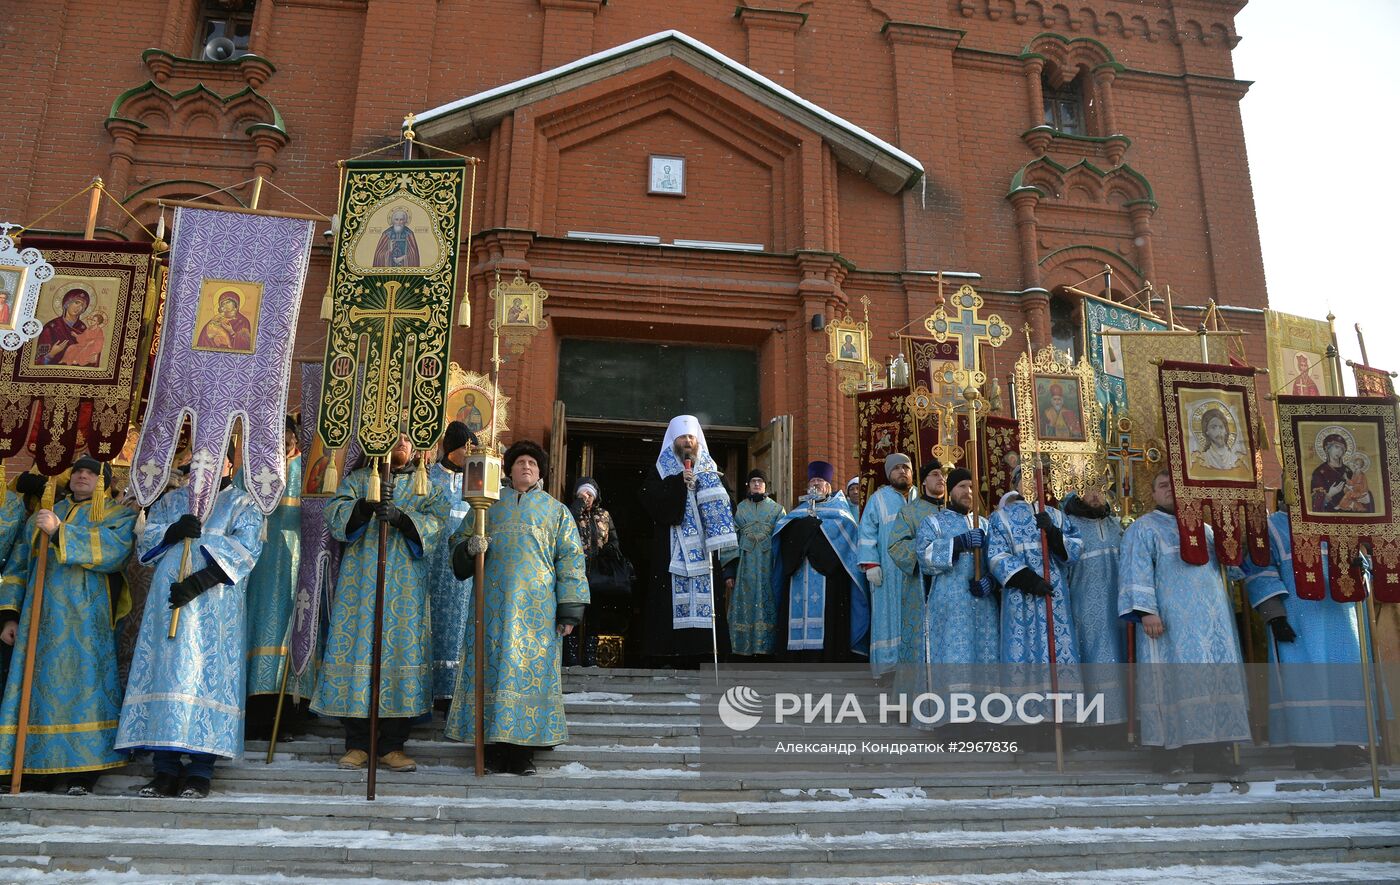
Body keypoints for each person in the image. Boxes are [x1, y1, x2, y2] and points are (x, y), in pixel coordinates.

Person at [116, 451, 266, 799]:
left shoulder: (242, 503)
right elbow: (146, 540)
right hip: (167, 603)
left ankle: (200, 770)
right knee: (166, 674)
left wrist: (198, 582)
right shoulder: (172, 500)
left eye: (211, 464)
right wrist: (172, 530)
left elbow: (246, 551)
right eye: (194, 465)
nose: (201, 471)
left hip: (213, 608)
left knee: (205, 677)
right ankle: (164, 769)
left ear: (230, 466)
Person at [445, 440, 587, 775]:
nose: (526, 466)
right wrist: (470, 548)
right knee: (492, 671)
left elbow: (570, 560)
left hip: (538, 613)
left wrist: (570, 609)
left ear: (539, 472)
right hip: (491, 607)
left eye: (532, 464)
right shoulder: (486, 507)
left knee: (528, 676)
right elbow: (458, 544)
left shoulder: (556, 511)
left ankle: (523, 752)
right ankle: (493, 746)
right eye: (520, 462)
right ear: (508, 470)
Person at [311, 434, 451, 773]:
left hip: (405, 588)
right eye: (395, 438)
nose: (402, 444)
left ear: (417, 447)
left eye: (408, 439)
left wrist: (404, 520)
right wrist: (362, 508)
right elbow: (335, 514)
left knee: (400, 655)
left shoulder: (426, 485)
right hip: (361, 584)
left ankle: (392, 745)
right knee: (359, 652)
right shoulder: (360, 480)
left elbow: (437, 521)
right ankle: (357, 742)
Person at [0, 458, 136, 794]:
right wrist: (8, 615)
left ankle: (84, 770)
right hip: (40, 618)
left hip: (87, 620)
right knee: (38, 691)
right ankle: (35, 765)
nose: (82, 475)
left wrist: (61, 532)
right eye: (77, 471)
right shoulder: (44, 512)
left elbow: (115, 552)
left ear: (105, 481)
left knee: (85, 687)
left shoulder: (117, 514)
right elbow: (18, 566)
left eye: (90, 472)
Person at [1118, 469, 1250, 777]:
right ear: (1152, 493)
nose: (1170, 491)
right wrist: (1146, 611)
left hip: (1213, 625)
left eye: (1175, 486)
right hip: (1170, 625)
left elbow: (1231, 571)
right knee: (1172, 683)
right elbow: (1134, 571)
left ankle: (1214, 754)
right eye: (1163, 485)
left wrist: (1232, 541)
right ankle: (1166, 754)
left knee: (1213, 684)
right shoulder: (1144, 528)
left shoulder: (1205, 530)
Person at [1242, 505, 1368, 771]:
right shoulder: (1272, 526)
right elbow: (1259, 569)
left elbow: (1362, 569)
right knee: (1304, 680)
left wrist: (1362, 570)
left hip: (1340, 616)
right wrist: (1274, 615)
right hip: (1296, 617)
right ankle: (1308, 748)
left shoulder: (1339, 523)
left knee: (1344, 677)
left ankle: (1348, 745)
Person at [639, 416, 737, 666]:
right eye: (683, 437)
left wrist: (705, 486)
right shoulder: (661, 470)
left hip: (705, 555)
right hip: (670, 551)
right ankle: (670, 654)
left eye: (691, 437)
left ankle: (705, 654)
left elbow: (729, 507)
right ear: (674, 441)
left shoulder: (712, 470)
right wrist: (677, 485)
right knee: (667, 604)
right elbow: (649, 501)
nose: (687, 441)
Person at [986, 480, 1083, 727]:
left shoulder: (1055, 516)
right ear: (1016, 482)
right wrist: (1029, 579)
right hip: (1021, 597)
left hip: (1055, 596)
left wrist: (1053, 533)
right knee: (1024, 653)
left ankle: (1063, 723)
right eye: (1023, 478)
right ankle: (1026, 727)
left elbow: (1075, 548)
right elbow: (996, 557)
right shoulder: (1000, 518)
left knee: (1057, 655)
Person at [909, 466, 998, 722]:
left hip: (983, 607)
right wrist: (957, 544)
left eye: (971, 487)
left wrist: (991, 582)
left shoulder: (986, 524)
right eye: (962, 486)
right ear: (950, 490)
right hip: (949, 607)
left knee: (983, 659)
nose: (968, 492)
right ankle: (949, 720)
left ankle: (984, 719)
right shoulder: (934, 522)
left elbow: (999, 560)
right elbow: (923, 557)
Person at [769, 461, 870, 662]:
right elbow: (785, 540)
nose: (816, 484)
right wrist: (806, 528)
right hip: (799, 574)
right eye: (813, 480)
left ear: (829, 487)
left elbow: (845, 544)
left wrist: (810, 530)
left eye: (820, 481)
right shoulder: (797, 513)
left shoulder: (841, 513)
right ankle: (794, 659)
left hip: (829, 579)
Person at [242, 416, 303, 737]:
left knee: (292, 632)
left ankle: (290, 712)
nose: (286, 440)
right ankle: (252, 711)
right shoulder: (251, 471)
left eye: (290, 434)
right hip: (256, 565)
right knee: (254, 629)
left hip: (295, 564)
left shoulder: (310, 472)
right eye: (280, 434)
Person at [1061, 486, 1128, 742]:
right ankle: (1089, 731)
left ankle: (1119, 727)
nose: (1096, 495)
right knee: (1092, 662)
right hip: (1083, 606)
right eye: (1089, 490)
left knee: (1120, 660)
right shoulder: (1069, 525)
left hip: (1117, 607)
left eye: (1099, 489)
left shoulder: (1114, 525)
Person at [426, 421, 475, 701]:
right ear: (453, 448)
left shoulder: (478, 480)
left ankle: (454, 692)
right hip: (433, 566)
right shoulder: (430, 477)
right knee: (434, 623)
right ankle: (430, 689)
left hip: (462, 570)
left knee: (460, 623)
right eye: (466, 447)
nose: (470, 453)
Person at [857, 454, 915, 677]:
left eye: (906, 468)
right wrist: (871, 564)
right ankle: (886, 668)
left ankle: (913, 666)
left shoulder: (920, 497)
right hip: (887, 572)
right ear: (889, 474)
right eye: (897, 469)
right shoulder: (878, 499)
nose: (902, 472)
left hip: (915, 571)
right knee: (886, 618)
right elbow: (867, 532)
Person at [889, 459, 946, 682]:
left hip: (951, 589)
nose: (941, 478)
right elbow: (896, 546)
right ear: (923, 482)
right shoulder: (910, 513)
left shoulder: (955, 512)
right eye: (935, 474)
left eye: (943, 475)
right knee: (918, 644)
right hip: (920, 588)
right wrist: (928, 551)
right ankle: (912, 699)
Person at [721, 469, 785, 657]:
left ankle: (767, 650)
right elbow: (729, 540)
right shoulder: (738, 509)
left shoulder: (777, 510)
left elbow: (782, 540)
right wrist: (729, 572)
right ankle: (741, 650)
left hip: (769, 569)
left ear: (766, 485)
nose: (757, 484)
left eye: (760, 481)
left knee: (769, 605)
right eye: (753, 481)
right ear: (748, 485)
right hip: (744, 569)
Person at [568, 475, 620, 667]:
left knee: (595, 615)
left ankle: (590, 657)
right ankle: (570, 657)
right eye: (584, 493)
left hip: (598, 573)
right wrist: (578, 504)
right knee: (573, 613)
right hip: (575, 571)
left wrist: (609, 550)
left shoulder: (604, 515)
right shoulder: (570, 511)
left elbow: (614, 540)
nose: (587, 497)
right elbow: (567, 525)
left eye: (590, 494)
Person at [35, 287, 92, 366]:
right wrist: (52, 353)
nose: (79, 307)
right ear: (67, 303)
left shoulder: (82, 328)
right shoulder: (51, 327)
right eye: (76, 302)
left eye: (82, 305)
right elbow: (38, 362)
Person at [1310, 433, 1353, 513]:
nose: (1339, 451)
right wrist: (1330, 494)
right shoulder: (1319, 472)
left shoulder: (1348, 471)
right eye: (1336, 447)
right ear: (1327, 448)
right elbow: (1315, 504)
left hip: (1349, 513)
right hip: (1329, 515)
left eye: (1342, 449)